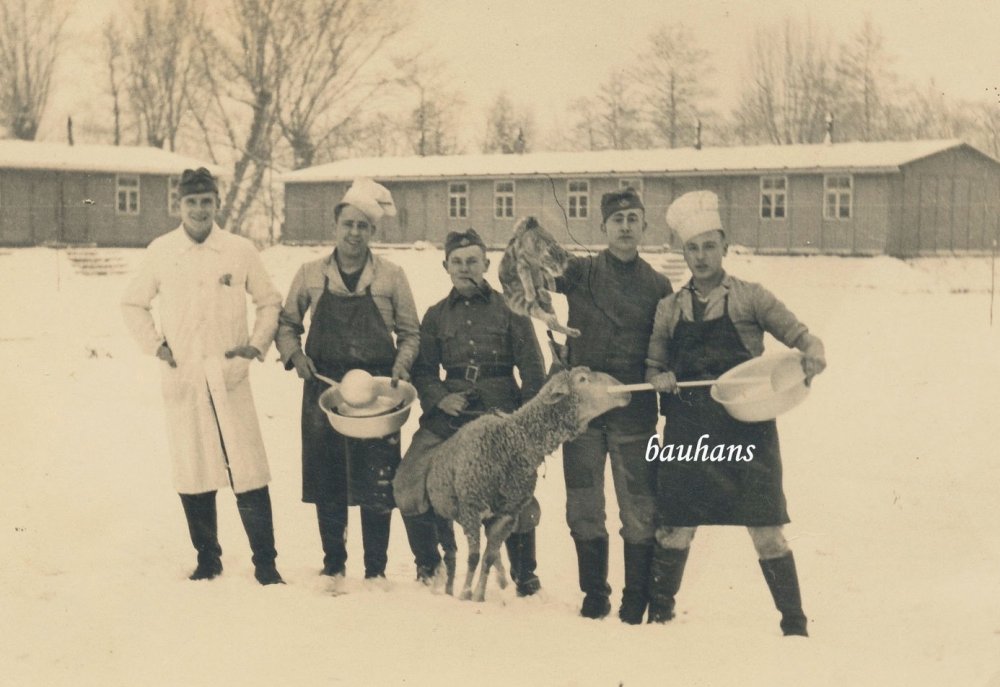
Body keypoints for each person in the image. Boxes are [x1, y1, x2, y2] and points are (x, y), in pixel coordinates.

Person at [645, 190, 827, 636]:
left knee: (767, 532)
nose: (701, 256)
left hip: (746, 429)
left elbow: (802, 336)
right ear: (683, 252)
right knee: (675, 529)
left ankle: (795, 627)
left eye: (709, 246)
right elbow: (653, 366)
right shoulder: (669, 308)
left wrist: (813, 352)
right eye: (692, 248)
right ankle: (659, 620)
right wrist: (659, 377)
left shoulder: (751, 298)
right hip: (688, 432)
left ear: (724, 246)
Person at [502, 188, 672, 622]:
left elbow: (668, 346)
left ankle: (635, 598)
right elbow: (525, 262)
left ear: (645, 226)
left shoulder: (659, 285)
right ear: (603, 227)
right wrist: (526, 236)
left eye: (633, 219)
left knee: (639, 509)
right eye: (617, 220)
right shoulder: (580, 272)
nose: (625, 227)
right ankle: (595, 594)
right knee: (583, 507)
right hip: (580, 417)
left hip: (634, 414)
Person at [121, 167, 285, 585]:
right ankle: (208, 558)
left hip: (230, 376)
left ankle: (266, 563)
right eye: (191, 202)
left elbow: (269, 301)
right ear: (179, 205)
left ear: (217, 204)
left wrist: (255, 345)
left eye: (206, 201)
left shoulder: (239, 250)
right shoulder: (161, 251)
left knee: (249, 468)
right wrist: (156, 345)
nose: (199, 210)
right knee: (193, 467)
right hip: (186, 377)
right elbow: (133, 303)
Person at [275, 178, 419, 588]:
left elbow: (411, 333)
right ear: (335, 226)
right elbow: (287, 324)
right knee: (328, 479)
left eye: (363, 226)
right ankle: (333, 565)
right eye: (348, 225)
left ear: (373, 231)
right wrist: (296, 356)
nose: (354, 233)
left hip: (377, 395)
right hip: (324, 390)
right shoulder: (310, 274)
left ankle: (375, 569)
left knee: (378, 481)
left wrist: (401, 367)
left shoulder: (391, 276)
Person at [392, 228, 547, 596]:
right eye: (457, 262)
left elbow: (533, 371)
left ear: (486, 264)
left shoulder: (512, 310)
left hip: (500, 415)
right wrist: (440, 399)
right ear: (446, 267)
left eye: (473, 261)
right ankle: (429, 564)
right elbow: (424, 372)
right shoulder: (435, 316)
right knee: (408, 481)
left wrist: (525, 426)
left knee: (516, 487)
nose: (465, 269)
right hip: (450, 415)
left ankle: (525, 573)